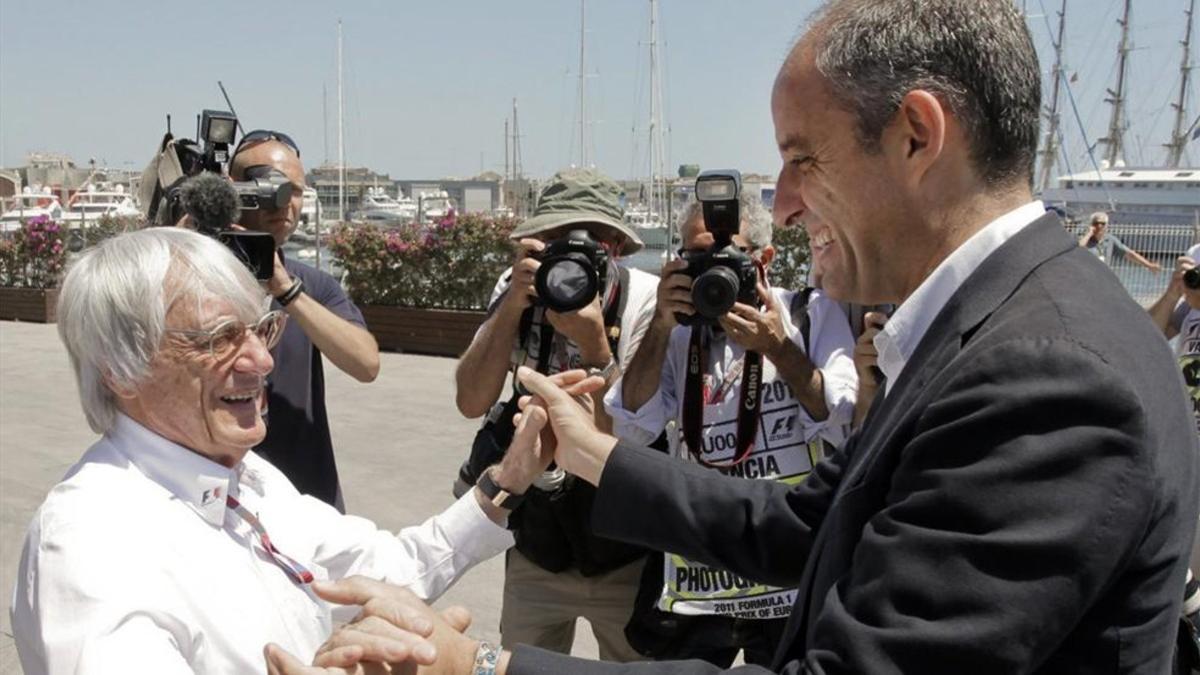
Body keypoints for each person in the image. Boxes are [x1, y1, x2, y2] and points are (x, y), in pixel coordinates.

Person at [290, 0, 1198, 672]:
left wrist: (486, 667)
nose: (786, 205)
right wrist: (599, 454)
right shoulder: (1005, 324)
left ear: (919, 136)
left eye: (803, 157)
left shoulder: (1047, 377)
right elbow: (811, 523)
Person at [9, 227, 558, 674]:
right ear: (122, 370)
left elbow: (387, 570)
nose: (262, 362)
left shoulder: (248, 479)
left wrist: (506, 481)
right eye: (218, 339)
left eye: (259, 330)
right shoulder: (90, 541)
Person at [607, 195, 856, 666]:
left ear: (764, 259)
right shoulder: (679, 334)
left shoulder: (809, 314)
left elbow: (840, 416)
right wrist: (661, 323)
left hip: (787, 564)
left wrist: (779, 348)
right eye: (697, 259)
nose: (711, 275)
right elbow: (634, 424)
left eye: (727, 258)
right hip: (705, 567)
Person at [453, 167, 659, 661]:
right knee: (522, 663)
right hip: (537, 541)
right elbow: (470, 400)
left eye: (589, 241)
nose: (573, 254)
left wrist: (594, 347)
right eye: (557, 239)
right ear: (538, 241)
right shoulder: (517, 288)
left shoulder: (642, 301)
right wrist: (511, 306)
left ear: (615, 245)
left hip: (621, 546)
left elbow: (630, 444)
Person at [229, 130, 380, 512]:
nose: (285, 202)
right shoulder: (190, 279)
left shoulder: (313, 285)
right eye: (271, 187)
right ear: (233, 191)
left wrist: (287, 291)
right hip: (218, 499)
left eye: (295, 190)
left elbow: (366, 364)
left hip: (307, 498)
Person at [1079, 211, 1163, 272]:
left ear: (1107, 225)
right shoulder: (1084, 238)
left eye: (1102, 223)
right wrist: (1089, 233)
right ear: (1091, 224)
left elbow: (1129, 254)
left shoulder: (1110, 239)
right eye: (1096, 223)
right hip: (1086, 274)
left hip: (1103, 275)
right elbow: (1079, 248)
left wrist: (1149, 265)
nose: (1099, 226)